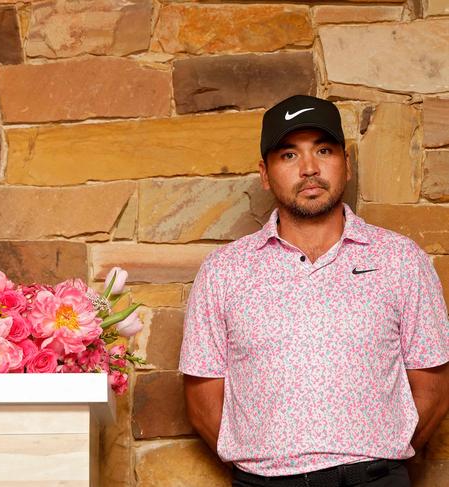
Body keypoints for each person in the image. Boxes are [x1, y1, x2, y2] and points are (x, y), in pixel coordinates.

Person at [179, 95, 449, 487]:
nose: (309, 168)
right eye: (289, 155)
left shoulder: (401, 259)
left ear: (347, 164)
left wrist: (377, 460)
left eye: (323, 150)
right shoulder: (225, 271)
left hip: (375, 478)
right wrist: (266, 466)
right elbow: (203, 400)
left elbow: (433, 388)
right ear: (265, 173)